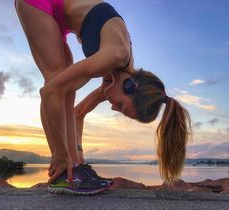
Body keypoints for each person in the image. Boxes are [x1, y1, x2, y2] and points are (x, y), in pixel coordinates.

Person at [15, 0, 192, 195]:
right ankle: (62, 173)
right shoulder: (114, 56)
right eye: (122, 106)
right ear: (130, 85)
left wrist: (77, 155)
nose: (113, 107)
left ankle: (73, 171)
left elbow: (77, 113)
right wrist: (60, 154)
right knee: (56, 81)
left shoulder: (115, 75)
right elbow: (49, 92)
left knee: (66, 89)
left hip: (61, 16)